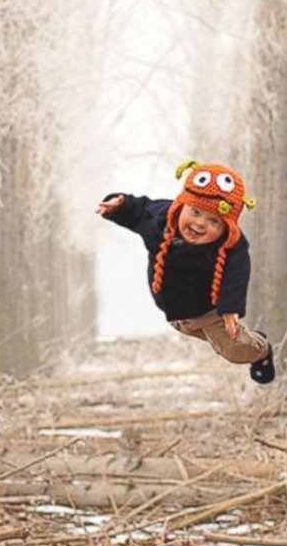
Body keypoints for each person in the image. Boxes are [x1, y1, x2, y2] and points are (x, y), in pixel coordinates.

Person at [97, 159, 276, 384]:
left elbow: (237, 271)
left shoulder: (226, 244)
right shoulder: (160, 220)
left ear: (225, 228)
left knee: (232, 349)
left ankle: (261, 351)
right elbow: (139, 208)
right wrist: (118, 205)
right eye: (195, 212)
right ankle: (251, 339)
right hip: (178, 315)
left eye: (213, 221)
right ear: (182, 205)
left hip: (209, 312)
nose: (200, 224)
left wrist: (230, 308)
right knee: (205, 337)